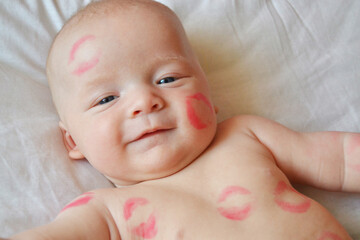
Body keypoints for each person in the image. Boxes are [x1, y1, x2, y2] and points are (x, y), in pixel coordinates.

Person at [11, 0, 359, 239]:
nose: (145, 101)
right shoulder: (107, 212)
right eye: (107, 98)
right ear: (73, 141)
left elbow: (342, 160)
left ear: (210, 96)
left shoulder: (246, 136)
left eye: (168, 79)